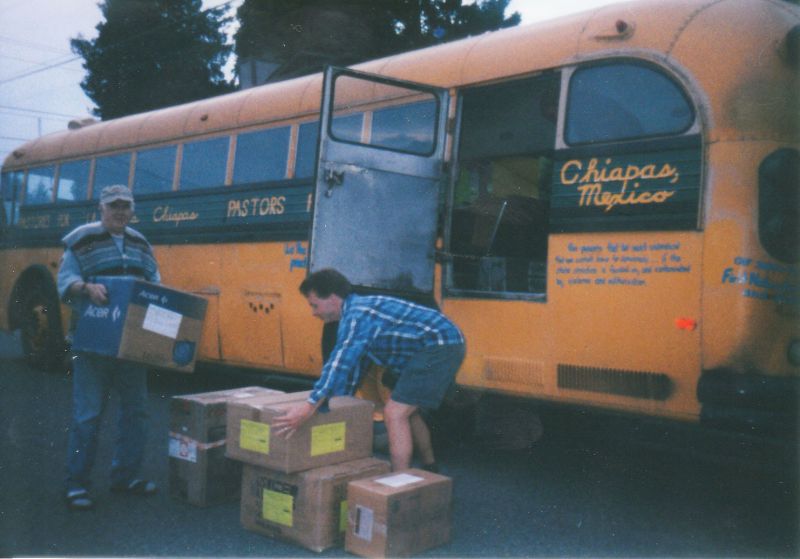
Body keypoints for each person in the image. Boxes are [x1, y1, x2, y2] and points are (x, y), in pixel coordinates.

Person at [273, 269, 466, 472]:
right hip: (431, 345)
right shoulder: (356, 311)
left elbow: (340, 363)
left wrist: (309, 406)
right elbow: (355, 367)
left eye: (314, 305)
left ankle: (397, 485)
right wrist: (335, 402)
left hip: (440, 344)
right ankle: (430, 466)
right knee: (408, 410)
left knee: (395, 412)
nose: (314, 313)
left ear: (332, 298)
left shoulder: (357, 316)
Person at [57, 184, 160, 511]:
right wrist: (86, 288)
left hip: (131, 347)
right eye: (113, 205)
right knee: (88, 415)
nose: (120, 211)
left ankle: (125, 477)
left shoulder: (141, 243)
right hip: (93, 344)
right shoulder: (81, 239)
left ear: (132, 209)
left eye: (125, 206)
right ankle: (76, 484)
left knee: (137, 412)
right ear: (101, 208)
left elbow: (155, 284)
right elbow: (65, 282)